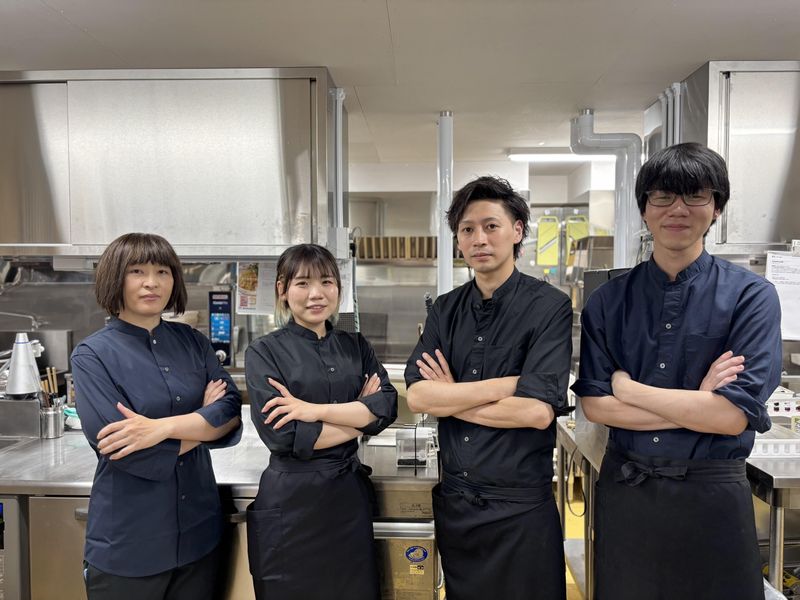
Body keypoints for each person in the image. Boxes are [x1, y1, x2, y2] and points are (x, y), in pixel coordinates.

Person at [572, 142, 782, 599]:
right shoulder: (608, 301)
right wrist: (699, 404)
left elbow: (732, 417)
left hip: (712, 499)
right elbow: (596, 406)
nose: (678, 209)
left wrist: (630, 390)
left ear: (717, 207)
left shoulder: (751, 297)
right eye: (663, 196)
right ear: (644, 209)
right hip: (628, 496)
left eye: (695, 195)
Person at [404, 176, 573, 600]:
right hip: (458, 505)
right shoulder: (446, 309)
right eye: (467, 229)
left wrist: (450, 398)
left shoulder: (549, 307)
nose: (479, 238)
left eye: (491, 226)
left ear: (517, 230)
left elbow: (536, 412)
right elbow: (419, 396)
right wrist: (509, 385)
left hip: (521, 510)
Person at [71, 232, 242, 600]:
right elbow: (123, 448)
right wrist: (202, 421)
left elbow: (230, 411)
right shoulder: (92, 356)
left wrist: (160, 428)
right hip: (129, 546)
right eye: (137, 271)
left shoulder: (193, 342)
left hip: (200, 539)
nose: (152, 282)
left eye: (163, 271)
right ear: (115, 278)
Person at [245, 243, 397, 600]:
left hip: (347, 499)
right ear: (282, 290)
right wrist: (360, 415)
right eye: (303, 283)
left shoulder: (355, 345)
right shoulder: (264, 352)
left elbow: (387, 406)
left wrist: (314, 411)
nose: (317, 293)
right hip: (291, 505)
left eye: (327, 282)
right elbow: (284, 437)